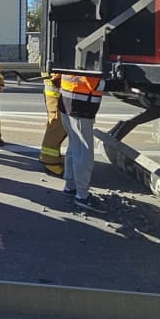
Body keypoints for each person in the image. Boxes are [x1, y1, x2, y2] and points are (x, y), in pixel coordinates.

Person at [59, 72, 106, 213]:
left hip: (67, 101)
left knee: (74, 146)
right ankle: (82, 196)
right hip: (82, 106)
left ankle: (70, 186)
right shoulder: (91, 60)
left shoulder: (70, 59)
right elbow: (95, 83)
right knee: (83, 152)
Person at [39, 72, 67, 177]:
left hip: (58, 91)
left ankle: (53, 157)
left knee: (59, 127)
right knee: (56, 127)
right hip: (57, 92)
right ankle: (50, 162)